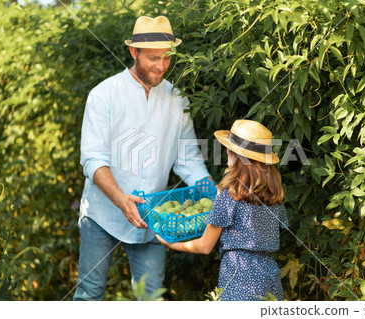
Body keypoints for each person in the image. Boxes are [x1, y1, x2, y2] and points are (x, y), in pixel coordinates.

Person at [74, 16, 212, 301]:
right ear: (133, 52)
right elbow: (93, 159)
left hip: (154, 219)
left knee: (152, 299)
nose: (161, 66)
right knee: (89, 293)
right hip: (102, 215)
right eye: (152, 58)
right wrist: (121, 200)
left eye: (166, 58)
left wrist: (213, 189)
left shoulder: (177, 99)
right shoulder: (103, 95)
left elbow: (188, 159)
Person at [156, 119, 289, 301]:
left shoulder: (229, 196)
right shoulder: (274, 195)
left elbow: (204, 246)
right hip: (269, 276)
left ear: (235, 155)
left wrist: (170, 244)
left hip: (238, 277)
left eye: (227, 150)